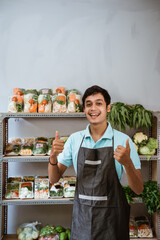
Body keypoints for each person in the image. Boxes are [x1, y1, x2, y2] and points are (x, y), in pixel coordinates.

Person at [48, 85, 143, 240]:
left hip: (112, 221)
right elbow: (54, 179)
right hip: (82, 220)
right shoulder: (74, 140)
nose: (94, 108)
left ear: (108, 108)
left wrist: (127, 163)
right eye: (89, 104)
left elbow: (138, 189)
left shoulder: (123, 140)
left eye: (99, 103)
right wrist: (52, 158)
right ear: (84, 109)